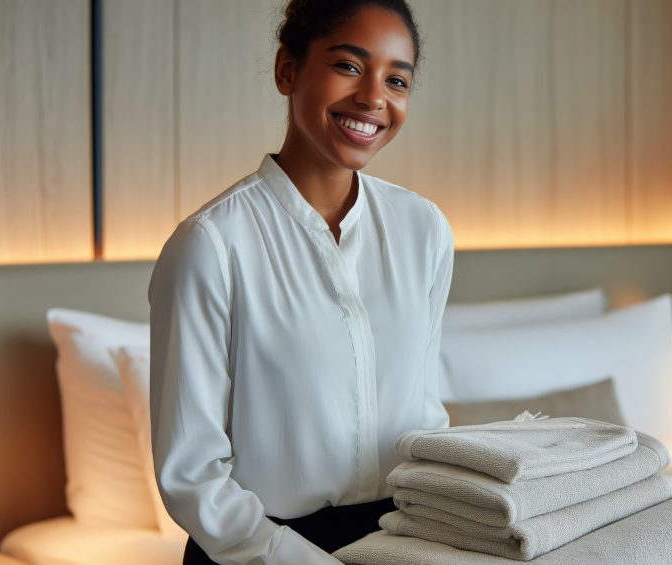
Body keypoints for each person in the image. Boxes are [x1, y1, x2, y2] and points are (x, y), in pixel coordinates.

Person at [147, 1, 452, 563]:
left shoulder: (424, 230)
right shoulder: (210, 245)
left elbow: (424, 419)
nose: (374, 98)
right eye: (349, 66)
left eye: (397, 79)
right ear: (287, 70)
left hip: (401, 543)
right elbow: (191, 477)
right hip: (258, 551)